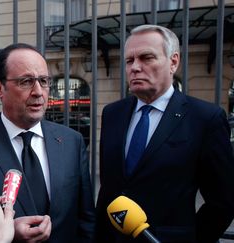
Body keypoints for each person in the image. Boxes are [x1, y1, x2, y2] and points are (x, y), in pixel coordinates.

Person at [95, 24, 234, 242]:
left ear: (173, 62)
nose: (135, 67)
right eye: (129, 60)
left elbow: (224, 201)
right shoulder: (113, 113)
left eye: (146, 58)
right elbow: (109, 189)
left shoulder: (205, 118)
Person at [0, 43, 96, 242]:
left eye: (43, 81)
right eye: (26, 81)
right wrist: (6, 231)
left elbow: (86, 220)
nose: (38, 92)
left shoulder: (71, 142)